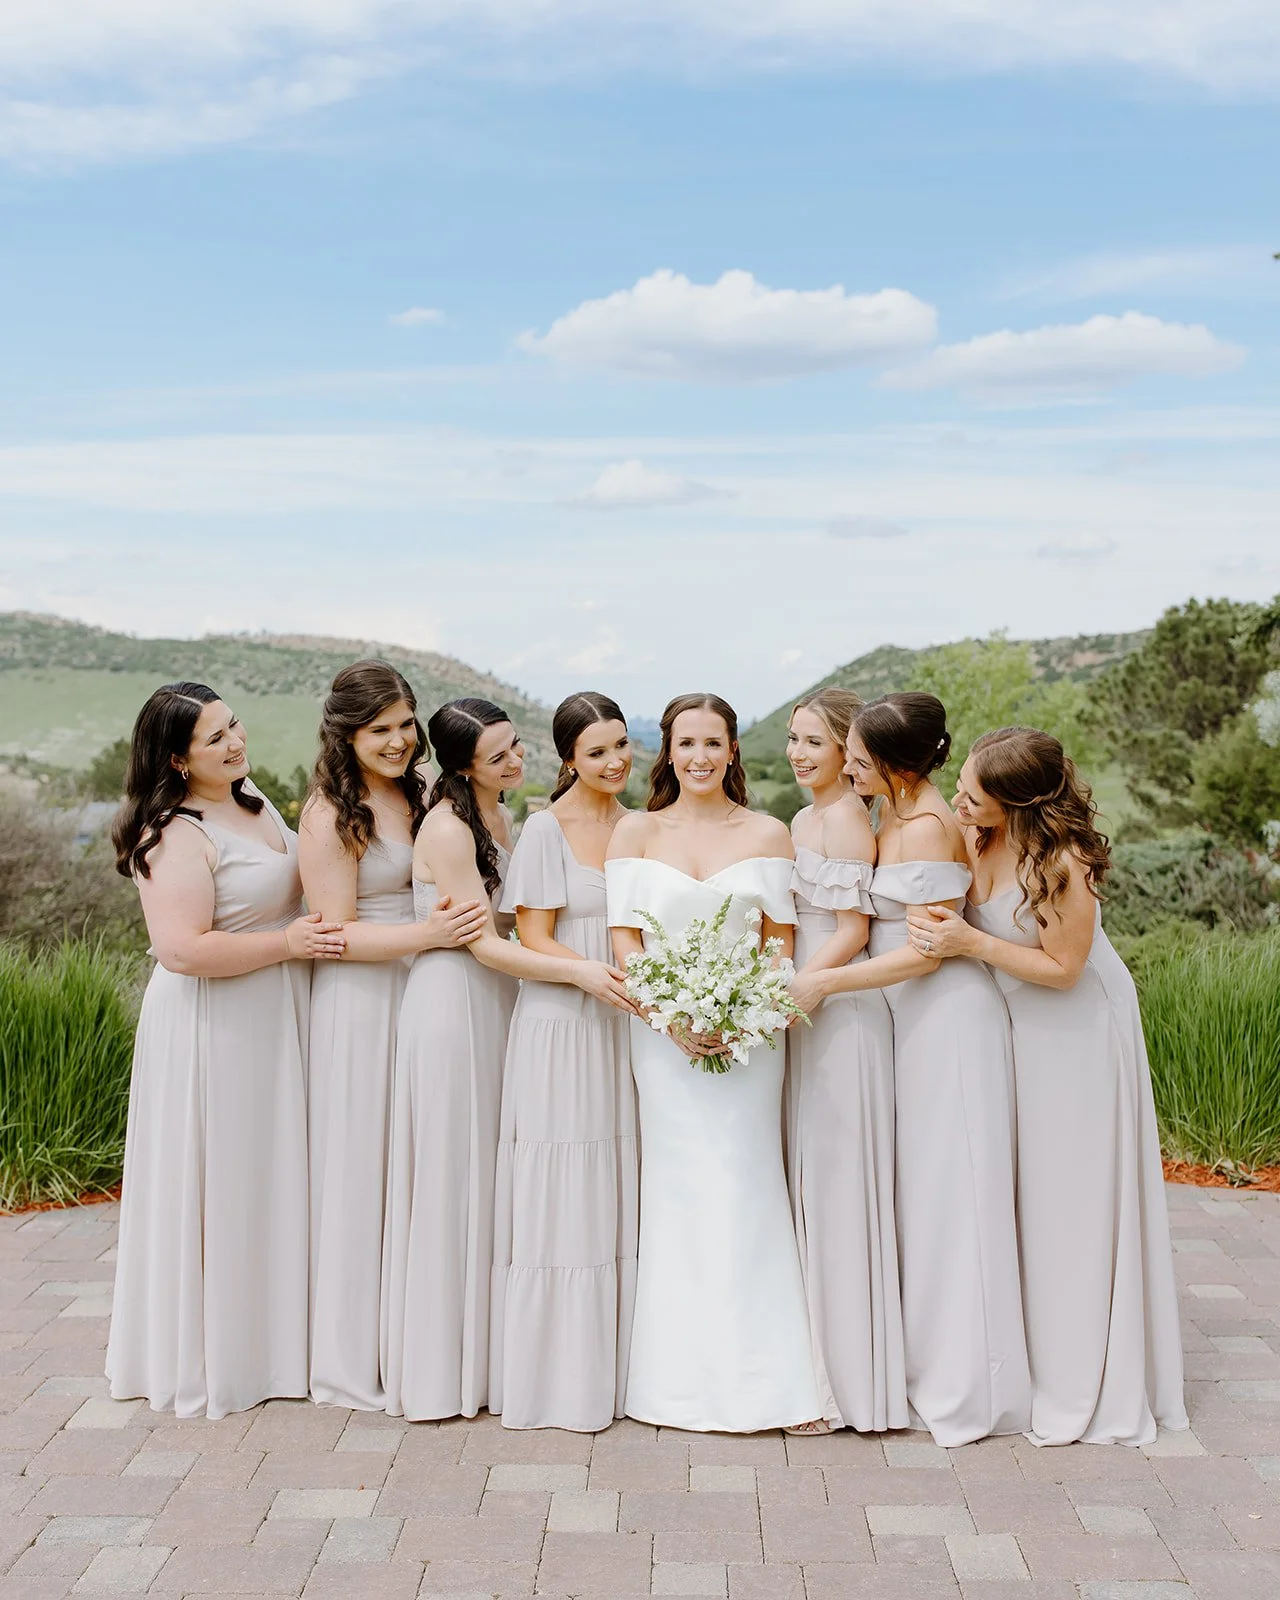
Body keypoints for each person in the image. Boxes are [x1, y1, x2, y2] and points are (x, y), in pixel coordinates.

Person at [907, 726, 1188, 1446]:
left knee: (1073, 1204)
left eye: (973, 795)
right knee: (1028, 1196)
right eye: (962, 789)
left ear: (1017, 800)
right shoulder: (978, 836)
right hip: (1018, 1032)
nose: (961, 804)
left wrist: (971, 942)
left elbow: (1065, 969)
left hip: (1076, 1036)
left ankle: (1082, 1374)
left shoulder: (1064, 862)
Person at [381, 697, 633, 1422]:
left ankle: (493, 1356)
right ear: (463, 767)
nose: (517, 762)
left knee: (497, 1183)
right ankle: (441, 1373)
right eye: (499, 757)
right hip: (456, 1000)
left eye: (517, 747)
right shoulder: (450, 827)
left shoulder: (499, 814)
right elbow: (481, 942)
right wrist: (582, 972)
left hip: (503, 999)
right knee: (454, 1182)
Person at [789, 693, 1030, 1446]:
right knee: (927, 1198)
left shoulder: (926, 831)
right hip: (909, 1021)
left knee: (955, 1199)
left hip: (949, 1021)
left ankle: (968, 1383)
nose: (847, 767)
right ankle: (926, 1363)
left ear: (894, 764)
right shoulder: (898, 817)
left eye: (858, 758)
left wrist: (824, 982)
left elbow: (928, 953)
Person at [106, 683, 344, 1419]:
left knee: (272, 1176)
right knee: (222, 1182)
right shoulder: (171, 833)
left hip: (274, 1013)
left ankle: (276, 1346)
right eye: (214, 739)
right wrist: (288, 943)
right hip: (213, 1025)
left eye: (234, 725)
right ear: (176, 759)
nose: (235, 743)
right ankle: (219, 1355)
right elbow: (180, 951)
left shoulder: (257, 803)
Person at [605, 692, 822, 1434]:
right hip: (661, 1039)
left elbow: (780, 942)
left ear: (734, 751)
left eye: (713, 743)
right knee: (679, 1191)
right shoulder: (634, 830)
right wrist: (671, 1017)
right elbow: (625, 942)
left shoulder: (768, 831)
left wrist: (745, 1012)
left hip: (751, 1039)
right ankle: (673, 1385)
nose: (699, 756)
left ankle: (774, 1385)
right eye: (685, 742)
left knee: (747, 1182)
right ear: (667, 751)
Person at [299, 661, 487, 1411]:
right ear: (346, 734)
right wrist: (431, 934)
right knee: (360, 1173)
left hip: (421, 991)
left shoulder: (422, 797)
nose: (399, 741)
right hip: (359, 1003)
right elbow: (334, 934)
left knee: (412, 1173)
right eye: (380, 730)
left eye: (406, 724)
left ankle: (414, 1337)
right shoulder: (327, 814)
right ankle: (350, 1357)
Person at [491, 692, 639, 1432]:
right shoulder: (545, 829)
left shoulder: (640, 825)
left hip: (624, 1023)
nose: (614, 762)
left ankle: (618, 1369)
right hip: (563, 1019)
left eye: (620, 746)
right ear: (567, 761)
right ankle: (557, 1378)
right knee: (566, 1179)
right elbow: (533, 935)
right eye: (597, 753)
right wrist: (587, 976)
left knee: (616, 1178)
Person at [784, 688, 906, 1435]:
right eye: (794, 740)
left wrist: (798, 994)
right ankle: (812, 1360)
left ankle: (848, 1385)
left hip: (836, 1010)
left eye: (814, 743)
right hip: (800, 1005)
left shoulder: (849, 818)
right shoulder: (801, 818)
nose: (799, 754)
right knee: (811, 1180)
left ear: (846, 750)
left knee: (839, 1184)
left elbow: (855, 930)